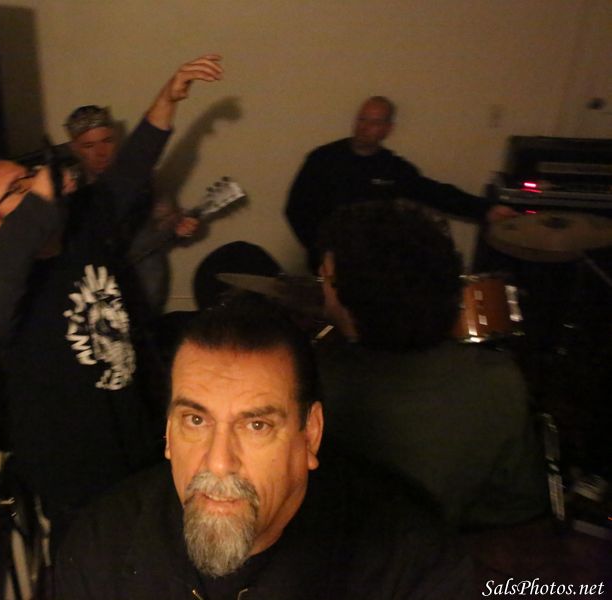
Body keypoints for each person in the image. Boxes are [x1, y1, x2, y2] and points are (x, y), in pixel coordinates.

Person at [0, 54, 224, 547]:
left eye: (28, 177)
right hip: (76, 476)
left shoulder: (82, 224)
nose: (33, 187)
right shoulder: (2, 280)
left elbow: (131, 167)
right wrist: (38, 203)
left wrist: (169, 97)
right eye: (15, 190)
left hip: (136, 436)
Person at [55, 294, 473, 599]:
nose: (219, 463)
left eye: (256, 425)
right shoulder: (102, 547)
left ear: (310, 434)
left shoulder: (408, 565)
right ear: (168, 432)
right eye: (196, 420)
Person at [315, 200, 548, 528]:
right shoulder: (501, 379)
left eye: (326, 278)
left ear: (352, 303)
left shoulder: (321, 385)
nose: (320, 282)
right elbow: (520, 507)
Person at [285, 95, 517, 267]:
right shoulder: (322, 159)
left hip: (372, 265)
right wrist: (320, 249)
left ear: (387, 129)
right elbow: (295, 208)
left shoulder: (393, 168)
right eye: (361, 119)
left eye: (374, 122)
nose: (364, 128)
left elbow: (435, 193)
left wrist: (485, 209)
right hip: (326, 261)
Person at [65, 104, 200, 316]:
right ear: (74, 148)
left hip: (144, 286)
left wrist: (181, 226)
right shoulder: (69, 185)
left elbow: (167, 222)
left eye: (107, 141)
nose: (101, 152)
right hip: (92, 294)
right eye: (89, 145)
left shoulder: (139, 178)